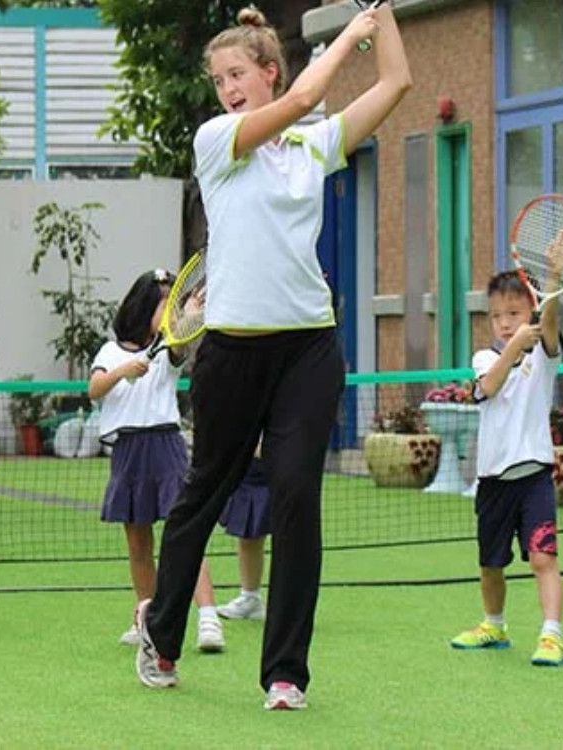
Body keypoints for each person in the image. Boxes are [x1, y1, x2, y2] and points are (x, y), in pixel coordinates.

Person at [133, 3, 411, 710]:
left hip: (308, 351)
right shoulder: (217, 141)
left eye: (237, 72)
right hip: (231, 352)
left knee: (296, 498)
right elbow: (304, 97)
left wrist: (382, 18)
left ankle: (285, 672)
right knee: (205, 493)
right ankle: (161, 635)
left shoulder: (313, 147)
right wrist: (350, 32)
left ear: (265, 70)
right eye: (218, 76)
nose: (226, 85)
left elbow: (397, 83)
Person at [89, 270, 224, 654]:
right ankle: (147, 617)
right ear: (143, 306)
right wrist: (122, 371)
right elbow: (95, 389)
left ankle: (209, 619)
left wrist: (191, 317)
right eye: (165, 303)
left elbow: (181, 347)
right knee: (138, 543)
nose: (170, 310)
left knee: (185, 534)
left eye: (173, 304)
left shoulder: (169, 349)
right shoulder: (110, 352)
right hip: (128, 453)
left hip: (166, 448)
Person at [448, 269, 563, 667]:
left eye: (513, 313)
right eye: (496, 316)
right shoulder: (484, 358)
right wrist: (515, 342)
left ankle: (551, 635)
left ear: (529, 312)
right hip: (493, 482)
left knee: (542, 558)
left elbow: (548, 322)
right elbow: (490, 386)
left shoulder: (545, 357)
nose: (503, 322)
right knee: (490, 564)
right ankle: (494, 625)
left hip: (534, 477)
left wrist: (552, 280)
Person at [216, 451, 269, 622]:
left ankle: (292, 602)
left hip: (284, 461)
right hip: (247, 464)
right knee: (248, 535)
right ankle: (250, 598)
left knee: (290, 537)